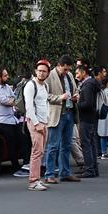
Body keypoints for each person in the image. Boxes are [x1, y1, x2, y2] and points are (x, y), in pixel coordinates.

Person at [44, 55, 80, 184]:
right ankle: (49, 174)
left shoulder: (69, 76)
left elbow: (76, 90)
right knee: (53, 145)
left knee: (66, 145)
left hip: (69, 113)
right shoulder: (49, 76)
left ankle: (65, 172)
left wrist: (76, 96)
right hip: (57, 114)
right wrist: (60, 98)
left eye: (68, 69)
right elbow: (45, 95)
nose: (67, 72)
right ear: (59, 65)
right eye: (65, 69)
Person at [24, 60, 51, 190]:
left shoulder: (45, 86)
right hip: (35, 122)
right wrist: (36, 123)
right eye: (39, 70)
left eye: (44, 71)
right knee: (37, 152)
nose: (41, 73)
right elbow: (28, 107)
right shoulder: (30, 85)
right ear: (35, 71)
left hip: (43, 122)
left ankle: (37, 179)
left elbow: (44, 103)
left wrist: (46, 120)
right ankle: (33, 182)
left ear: (47, 73)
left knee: (40, 152)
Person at [0, 68, 21, 173]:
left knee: (21, 139)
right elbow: (10, 102)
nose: (8, 77)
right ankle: (15, 166)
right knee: (12, 142)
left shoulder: (6, 87)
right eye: (5, 75)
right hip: (1, 121)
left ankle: (24, 163)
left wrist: (13, 100)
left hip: (12, 119)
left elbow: (14, 98)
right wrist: (12, 100)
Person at [76, 64, 101, 178]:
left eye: (77, 73)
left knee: (86, 144)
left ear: (83, 73)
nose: (76, 76)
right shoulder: (92, 84)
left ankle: (89, 169)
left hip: (86, 118)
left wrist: (78, 102)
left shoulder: (87, 86)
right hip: (91, 118)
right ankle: (93, 168)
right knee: (91, 144)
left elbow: (87, 103)